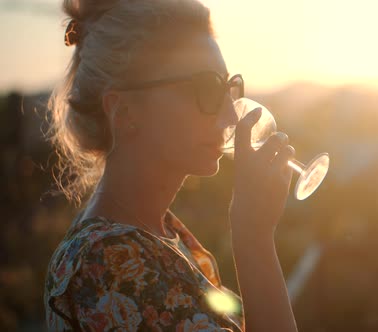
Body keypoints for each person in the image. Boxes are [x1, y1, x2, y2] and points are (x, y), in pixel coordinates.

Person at [43, 0, 298, 331]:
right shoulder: (108, 263)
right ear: (124, 112)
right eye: (207, 88)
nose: (232, 114)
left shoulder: (163, 233)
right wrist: (254, 238)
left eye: (227, 87)